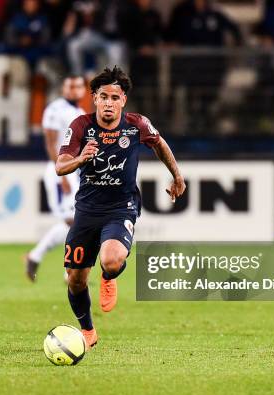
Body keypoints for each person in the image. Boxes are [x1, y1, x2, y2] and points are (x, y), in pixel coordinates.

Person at [55, 66, 186, 348]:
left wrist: (176, 175)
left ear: (123, 100)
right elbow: (60, 166)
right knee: (75, 280)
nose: (109, 103)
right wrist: (80, 159)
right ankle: (88, 330)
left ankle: (108, 275)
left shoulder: (136, 125)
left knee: (112, 260)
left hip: (121, 208)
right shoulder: (80, 126)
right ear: (94, 98)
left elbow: (159, 143)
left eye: (115, 98)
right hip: (87, 211)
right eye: (104, 97)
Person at [25, 75, 86, 282]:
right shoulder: (54, 109)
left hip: (74, 172)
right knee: (73, 221)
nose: (74, 90)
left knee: (75, 221)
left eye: (78, 86)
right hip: (60, 171)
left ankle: (36, 257)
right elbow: (51, 143)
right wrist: (63, 175)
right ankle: (66, 269)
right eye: (70, 86)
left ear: (83, 90)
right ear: (63, 88)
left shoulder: (80, 113)